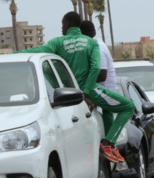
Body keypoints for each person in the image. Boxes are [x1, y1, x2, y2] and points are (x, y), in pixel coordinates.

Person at [18, 12, 133, 163]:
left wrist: (12, 54)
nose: (61, 28)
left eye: (62, 25)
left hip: (70, 94)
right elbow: (95, 69)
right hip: (90, 90)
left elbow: (37, 54)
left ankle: (98, 148)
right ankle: (108, 143)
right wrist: (86, 93)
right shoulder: (91, 43)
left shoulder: (58, 43)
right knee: (128, 107)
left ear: (68, 24)